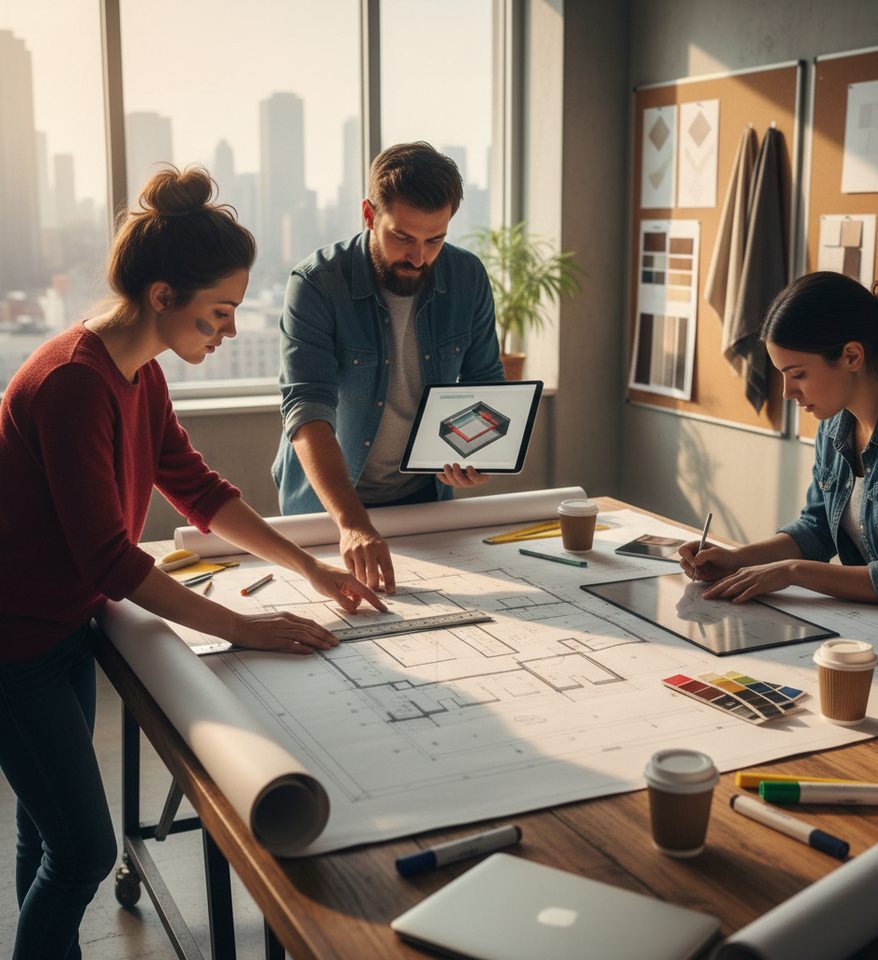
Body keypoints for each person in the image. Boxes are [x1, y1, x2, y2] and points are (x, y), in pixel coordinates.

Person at [0, 165, 386, 960]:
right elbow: (110, 559)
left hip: (61, 627)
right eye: (221, 312)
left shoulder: (136, 371)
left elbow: (197, 489)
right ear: (163, 295)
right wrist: (243, 628)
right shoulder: (77, 381)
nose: (230, 331)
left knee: (44, 837)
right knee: (81, 854)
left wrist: (309, 567)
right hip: (15, 643)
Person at [271, 142, 505, 595]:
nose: (419, 257)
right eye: (403, 237)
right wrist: (354, 523)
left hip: (423, 503)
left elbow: (485, 384)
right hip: (327, 513)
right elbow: (305, 410)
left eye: (434, 239)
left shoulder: (468, 276)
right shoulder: (316, 284)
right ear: (368, 214)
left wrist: (479, 454)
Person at [679, 271, 878, 623]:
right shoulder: (833, 421)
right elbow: (817, 529)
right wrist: (737, 559)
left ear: (851, 356)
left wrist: (791, 572)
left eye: (798, 374)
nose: (787, 393)